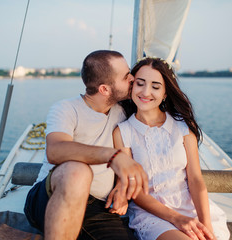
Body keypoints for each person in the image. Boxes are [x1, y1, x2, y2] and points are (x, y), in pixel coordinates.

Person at [24, 50, 149, 240]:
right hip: (52, 198)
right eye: (126, 77)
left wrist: (122, 185)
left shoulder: (124, 111)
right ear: (104, 89)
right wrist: (113, 156)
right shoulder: (66, 109)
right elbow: (55, 150)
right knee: (78, 171)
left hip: (100, 208)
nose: (133, 78)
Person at [113, 57, 230, 240]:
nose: (146, 92)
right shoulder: (123, 132)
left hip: (189, 205)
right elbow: (134, 190)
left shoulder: (183, 126)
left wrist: (206, 225)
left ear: (165, 93)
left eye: (155, 86)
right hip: (152, 213)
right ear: (131, 86)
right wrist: (176, 218)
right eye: (140, 84)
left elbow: (195, 179)